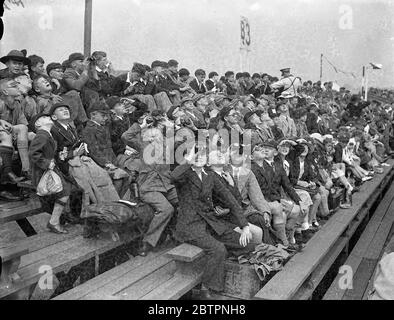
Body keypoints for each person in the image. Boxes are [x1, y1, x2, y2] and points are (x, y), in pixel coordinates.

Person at [171, 144, 255, 299]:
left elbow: (231, 202)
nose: (199, 158)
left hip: (211, 224)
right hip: (191, 226)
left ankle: (216, 267)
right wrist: (188, 161)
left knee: (248, 243)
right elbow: (174, 177)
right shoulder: (186, 176)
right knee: (218, 249)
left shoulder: (210, 176)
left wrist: (245, 226)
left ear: (207, 160)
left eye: (202, 155)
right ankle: (206, 288)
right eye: (196, 156)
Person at [251, 140, 301, 249]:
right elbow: (260, 191)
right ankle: (284, 243)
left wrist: (299, 201)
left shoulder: (273, 166)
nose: (264, 150)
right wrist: (277, 200)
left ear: (275, 152)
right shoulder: (255, 167)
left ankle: (287, 238)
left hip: (273, 198)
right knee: (281, 213)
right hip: (264, 200)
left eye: (268, 148)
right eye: (262, 148)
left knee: (297, 209)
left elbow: (287, 185)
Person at [29, 113, 71, 234]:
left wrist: (59, 156)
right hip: (43, 171)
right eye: (44, 117)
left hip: (49, 169)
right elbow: (33, 154)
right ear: (38, 124)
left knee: (64, 191)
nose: (48, 117)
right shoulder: (42, 135)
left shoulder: (48, 134)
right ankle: (54, 222)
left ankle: (55, 221)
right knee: (64, 192)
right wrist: (47, 163)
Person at [0, 78, 33, 179]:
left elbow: (23, 123)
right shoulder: (0, 103)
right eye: (13, 86)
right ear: (5, 91)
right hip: (3, 134)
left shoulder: (17, 104)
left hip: (12, 133)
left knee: (34, 136)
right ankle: (25, 169)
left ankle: (36, 170)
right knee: (21, 129)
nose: (17, 87)